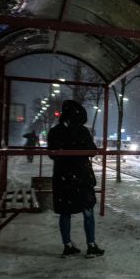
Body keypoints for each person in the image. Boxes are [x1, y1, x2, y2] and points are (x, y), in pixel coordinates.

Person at [47, 100, 105, 258]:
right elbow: (93, 151)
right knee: (87, 211)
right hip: (82, 178)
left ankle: (67, 245)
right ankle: (91, 246)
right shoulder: (83, 131)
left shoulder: (54, 132)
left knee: (65, 213)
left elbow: (51, 154)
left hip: (62, 178)